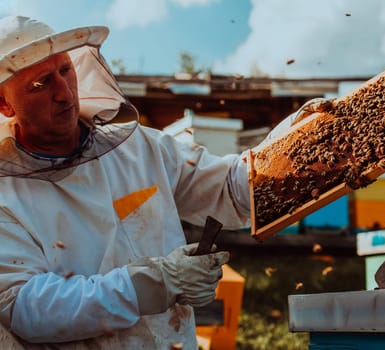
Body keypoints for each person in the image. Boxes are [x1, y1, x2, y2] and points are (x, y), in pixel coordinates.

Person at [0, 15, 329, 349]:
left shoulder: (139, 147)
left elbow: (230, 189)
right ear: (4, 104)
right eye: (41, 84)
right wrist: (155, 283)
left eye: (65, 70)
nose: (63, 91)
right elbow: (25, 307)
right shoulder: (5, 196)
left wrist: (293, 147)